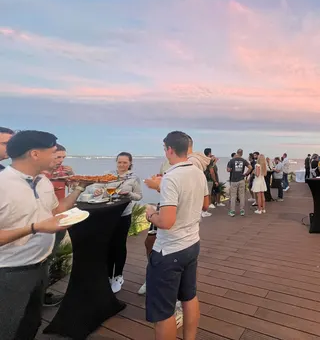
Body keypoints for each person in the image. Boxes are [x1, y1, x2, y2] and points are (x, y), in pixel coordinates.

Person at [0, 131, 91, 340]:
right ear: (34, 154)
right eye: (52, 153)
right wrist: (35, 227)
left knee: (31, 323)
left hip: (41, 266)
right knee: (6, 328)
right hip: (9, 272)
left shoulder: (42, 181)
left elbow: (56, 211)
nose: (56, 158)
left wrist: (79, 188)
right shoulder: (3, 184)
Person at [145, 131, 208, 340]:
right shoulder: (198, 172)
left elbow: (166, 222)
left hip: (169, 250)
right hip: (192, 244)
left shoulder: (171, 177)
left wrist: (151, 213)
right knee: (189, 297)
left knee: (163, 311)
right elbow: (204, 204)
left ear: (169, 149)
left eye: (165, 149)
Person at [90, 152, 143, 293]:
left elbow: (138, 196)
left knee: (119, 246)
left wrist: (129, 194)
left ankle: (118, 276)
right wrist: (97, 191)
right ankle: (107, 275)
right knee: (108, 245)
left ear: (130, 163)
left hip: (124, 215)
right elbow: (98, 188)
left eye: (125, 162)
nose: (122, 165)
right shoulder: (109, 175)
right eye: (119, 162)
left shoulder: (134, 178)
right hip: (108, 214)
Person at [41, 144, 75, 307]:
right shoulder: (38, 174)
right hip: (42, 221)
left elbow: (74, 188)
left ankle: (42, 295)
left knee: (50, 257)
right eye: (57, 157)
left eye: (63, 157)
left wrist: (74, 180)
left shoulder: (65, 171)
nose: (61, 161)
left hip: (60, 218)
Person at [226, 149, 252, 217]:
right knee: (242, 195)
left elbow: (228, 170)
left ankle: (232, 211)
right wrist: (246, 174)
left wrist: (232, 169)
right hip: (241, 179)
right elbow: (250, 167)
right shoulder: (243, 160)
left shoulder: (231, 160)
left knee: (233, 196)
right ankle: (242, 210)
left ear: (237, 153)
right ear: (242, 153)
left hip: (233, 180)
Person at [204, 148, 218, 213]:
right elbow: (212, 171)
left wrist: (214, 162)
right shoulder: (209, 160)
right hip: (209, 178)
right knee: (208, 192)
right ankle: (209, 204)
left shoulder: (204, 160)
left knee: (206, 192)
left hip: (204, 178)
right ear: (209, 153)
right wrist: (215, 180)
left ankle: (207, 204)